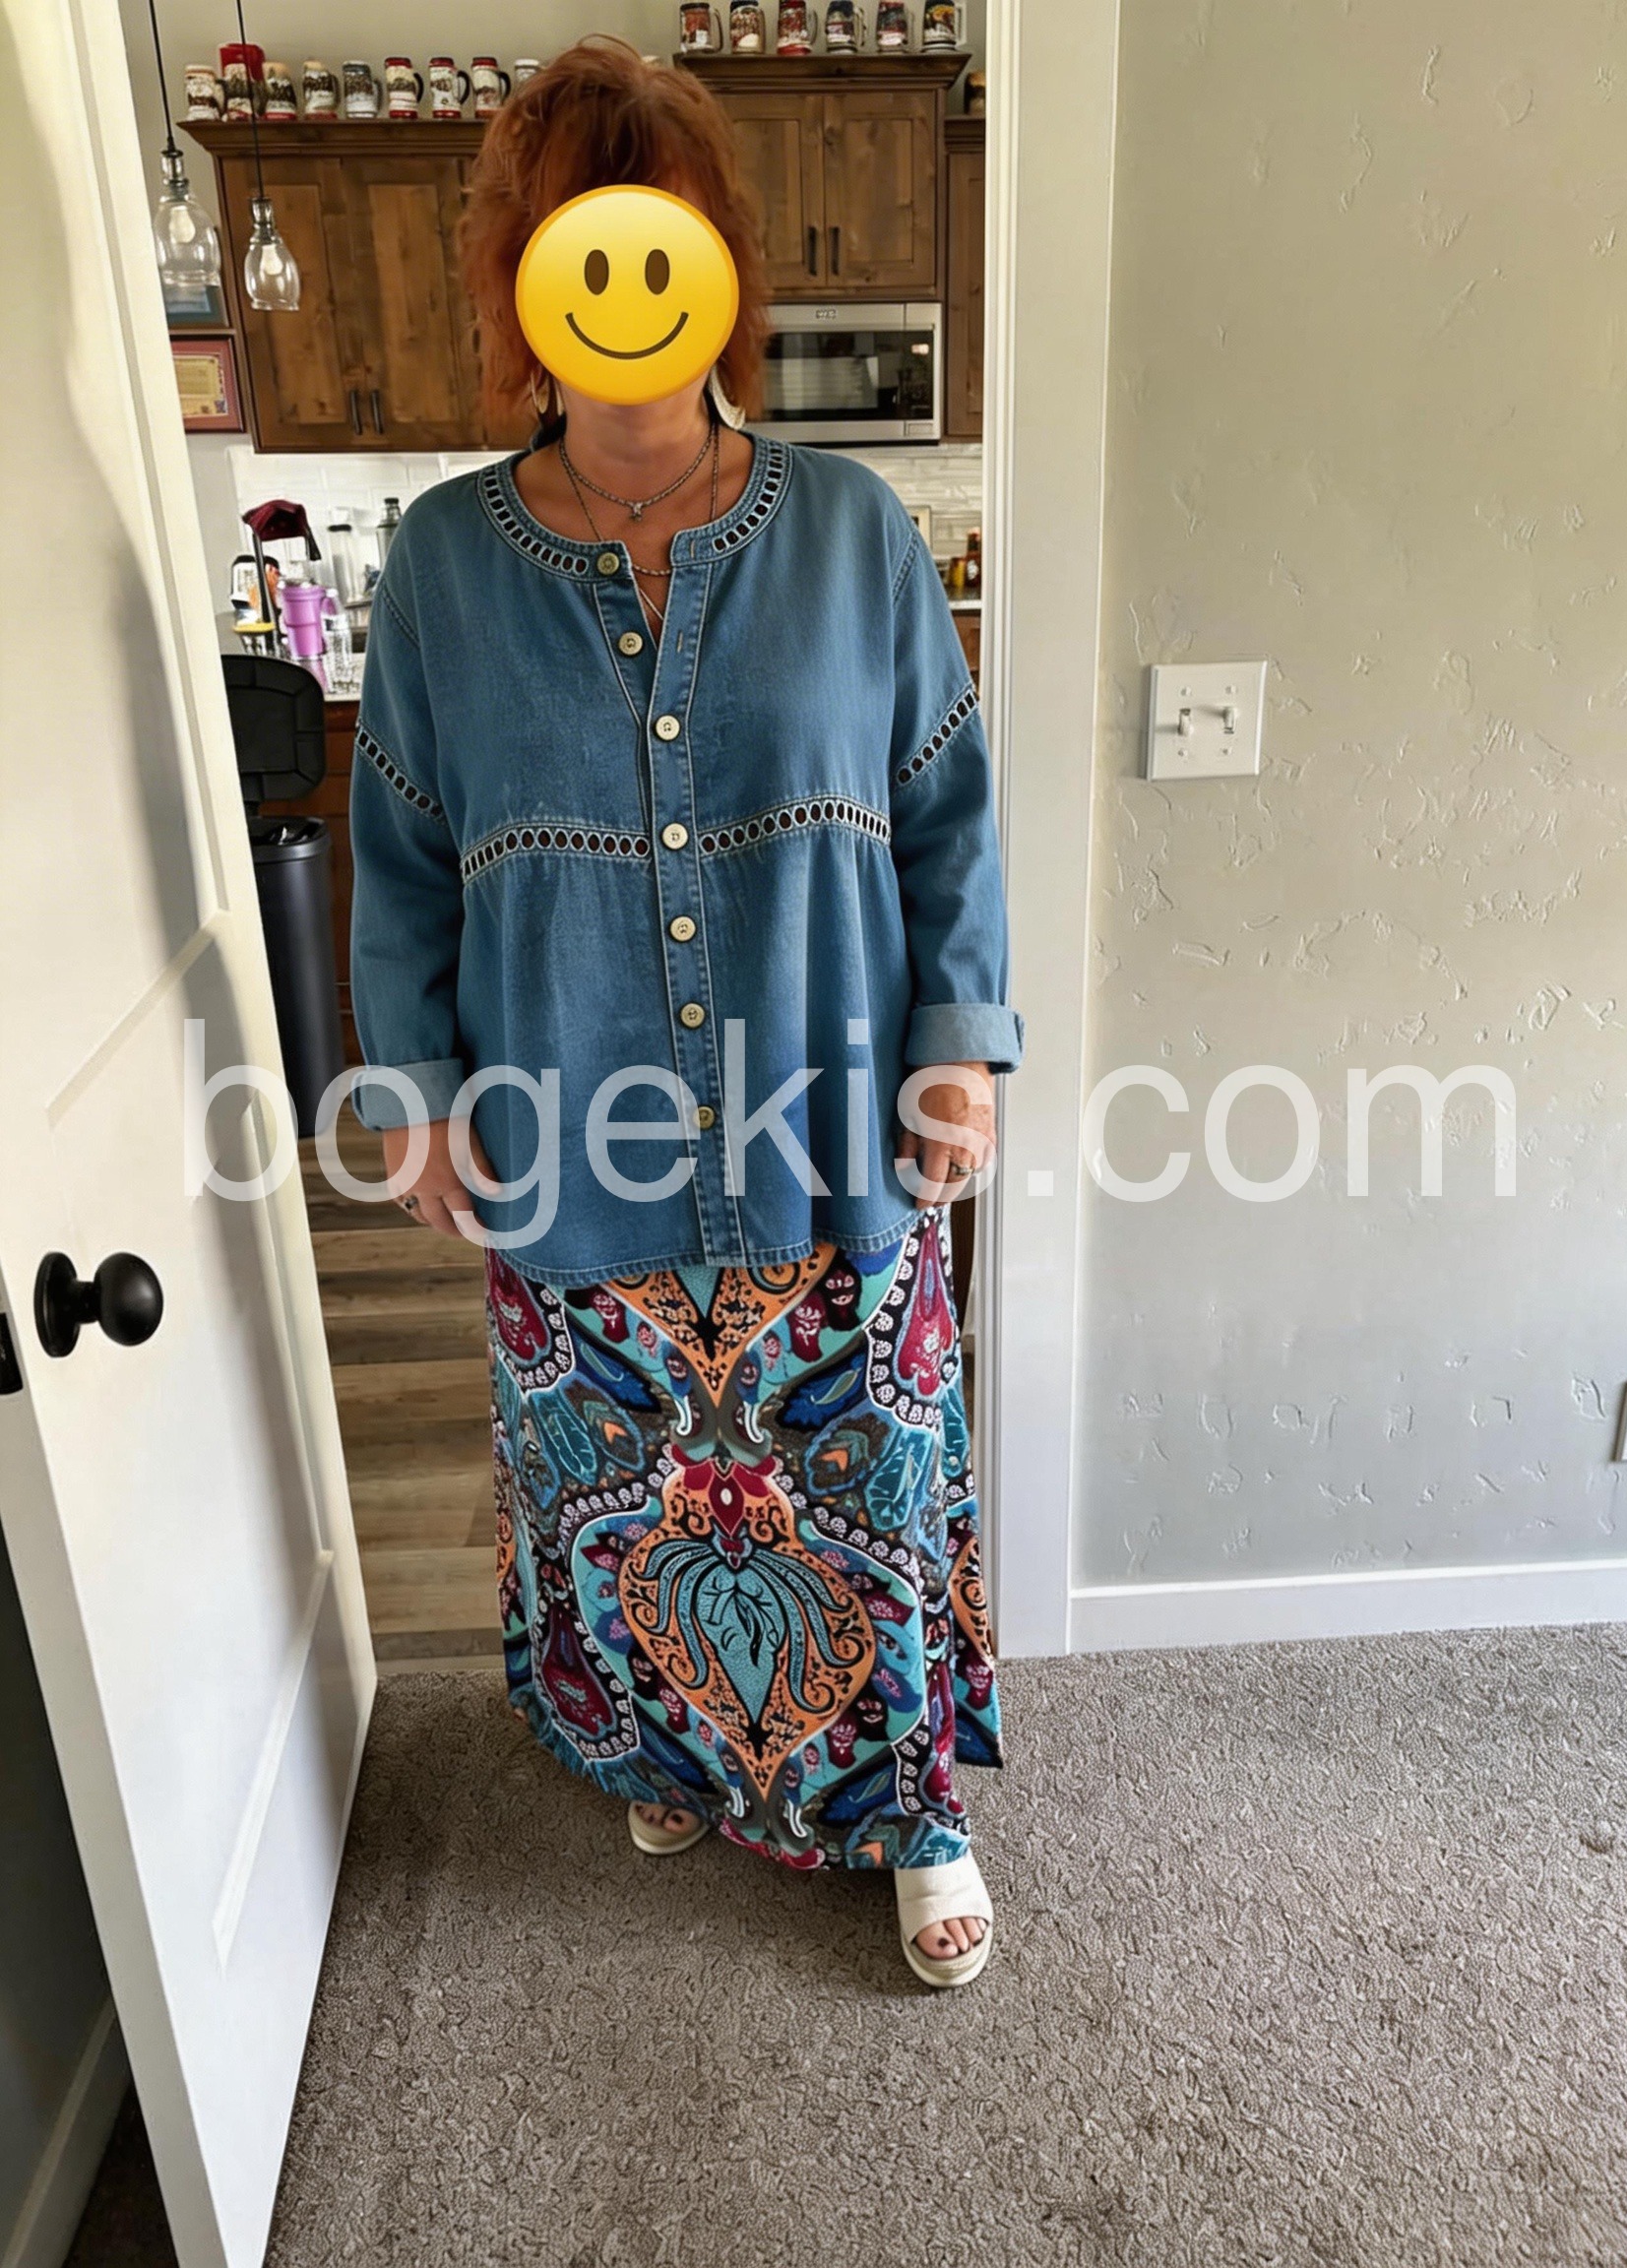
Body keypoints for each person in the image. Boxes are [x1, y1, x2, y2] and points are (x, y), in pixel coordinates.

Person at [347, 37, 1022, 1988]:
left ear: (719, 267)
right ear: (519, 286)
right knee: (619, 1494)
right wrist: (416, 1089)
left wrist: (960, 1045)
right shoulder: (443, 569)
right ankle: (682, 1759)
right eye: (573, 246)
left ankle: (913, 1809)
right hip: (571, 1141)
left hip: (833, 1132)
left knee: (867, 1475)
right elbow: (401, 853)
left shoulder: (855, 537)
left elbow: (948, 815)